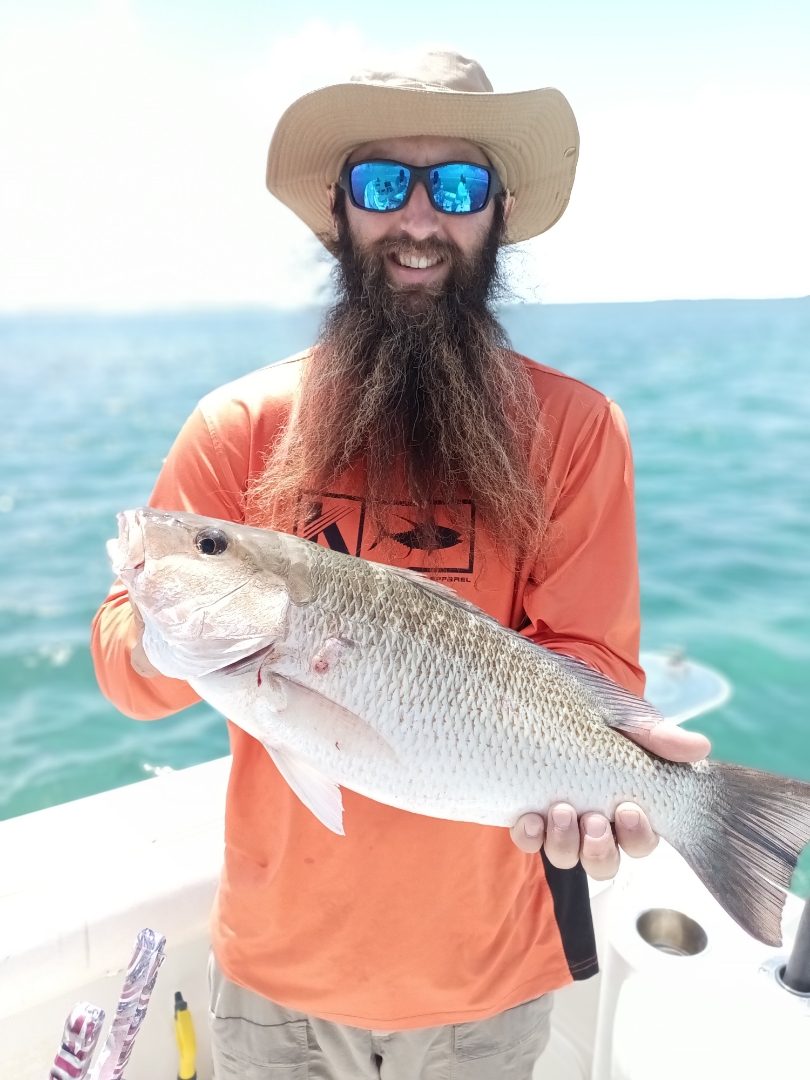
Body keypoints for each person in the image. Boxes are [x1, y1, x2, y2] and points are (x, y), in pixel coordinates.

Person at [92, 48, 710, 1079]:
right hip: (279, 979)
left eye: (456, 185)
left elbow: (592, 665)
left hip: (490, 983)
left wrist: (609, 787)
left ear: (496, 212)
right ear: (340, 210)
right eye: (384, 183)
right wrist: (175, 627)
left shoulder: (576, 428)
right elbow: (122, 660)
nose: (418, 220)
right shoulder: (241, 424)